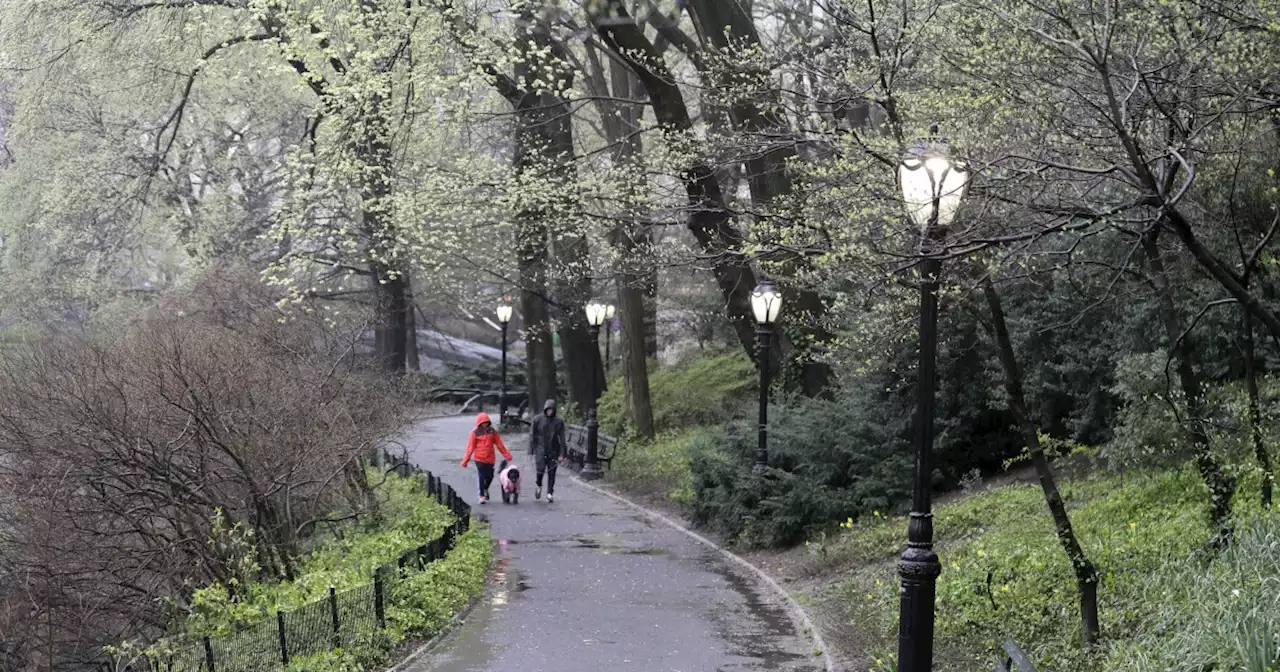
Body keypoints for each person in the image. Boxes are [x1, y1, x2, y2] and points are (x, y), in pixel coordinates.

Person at [461, 412, 512, 504]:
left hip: (490, 458)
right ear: (479, 423)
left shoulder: (492, 431)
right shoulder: (475, 433)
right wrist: (466, 460)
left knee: (490, 476)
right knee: (481, 475)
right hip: (479, 459)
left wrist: (506, 455)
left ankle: (485, 488)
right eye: (483, 423)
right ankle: (481, 495)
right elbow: (470, 447)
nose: (485, 424)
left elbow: (499, 444)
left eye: (486, 422)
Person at [529, 398, 565, 502]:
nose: (550, 412)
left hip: (553, 450)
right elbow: (532, 435)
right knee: (540, 469)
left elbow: (562, 438)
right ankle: (539, 485)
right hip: (540, 448)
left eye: (552, 410)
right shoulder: (537, 420)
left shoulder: (558, 422)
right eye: (548, 409)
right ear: (545, 409)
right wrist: (531, 450)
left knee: (552, 472)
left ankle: (550, 492)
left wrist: (561, 454)